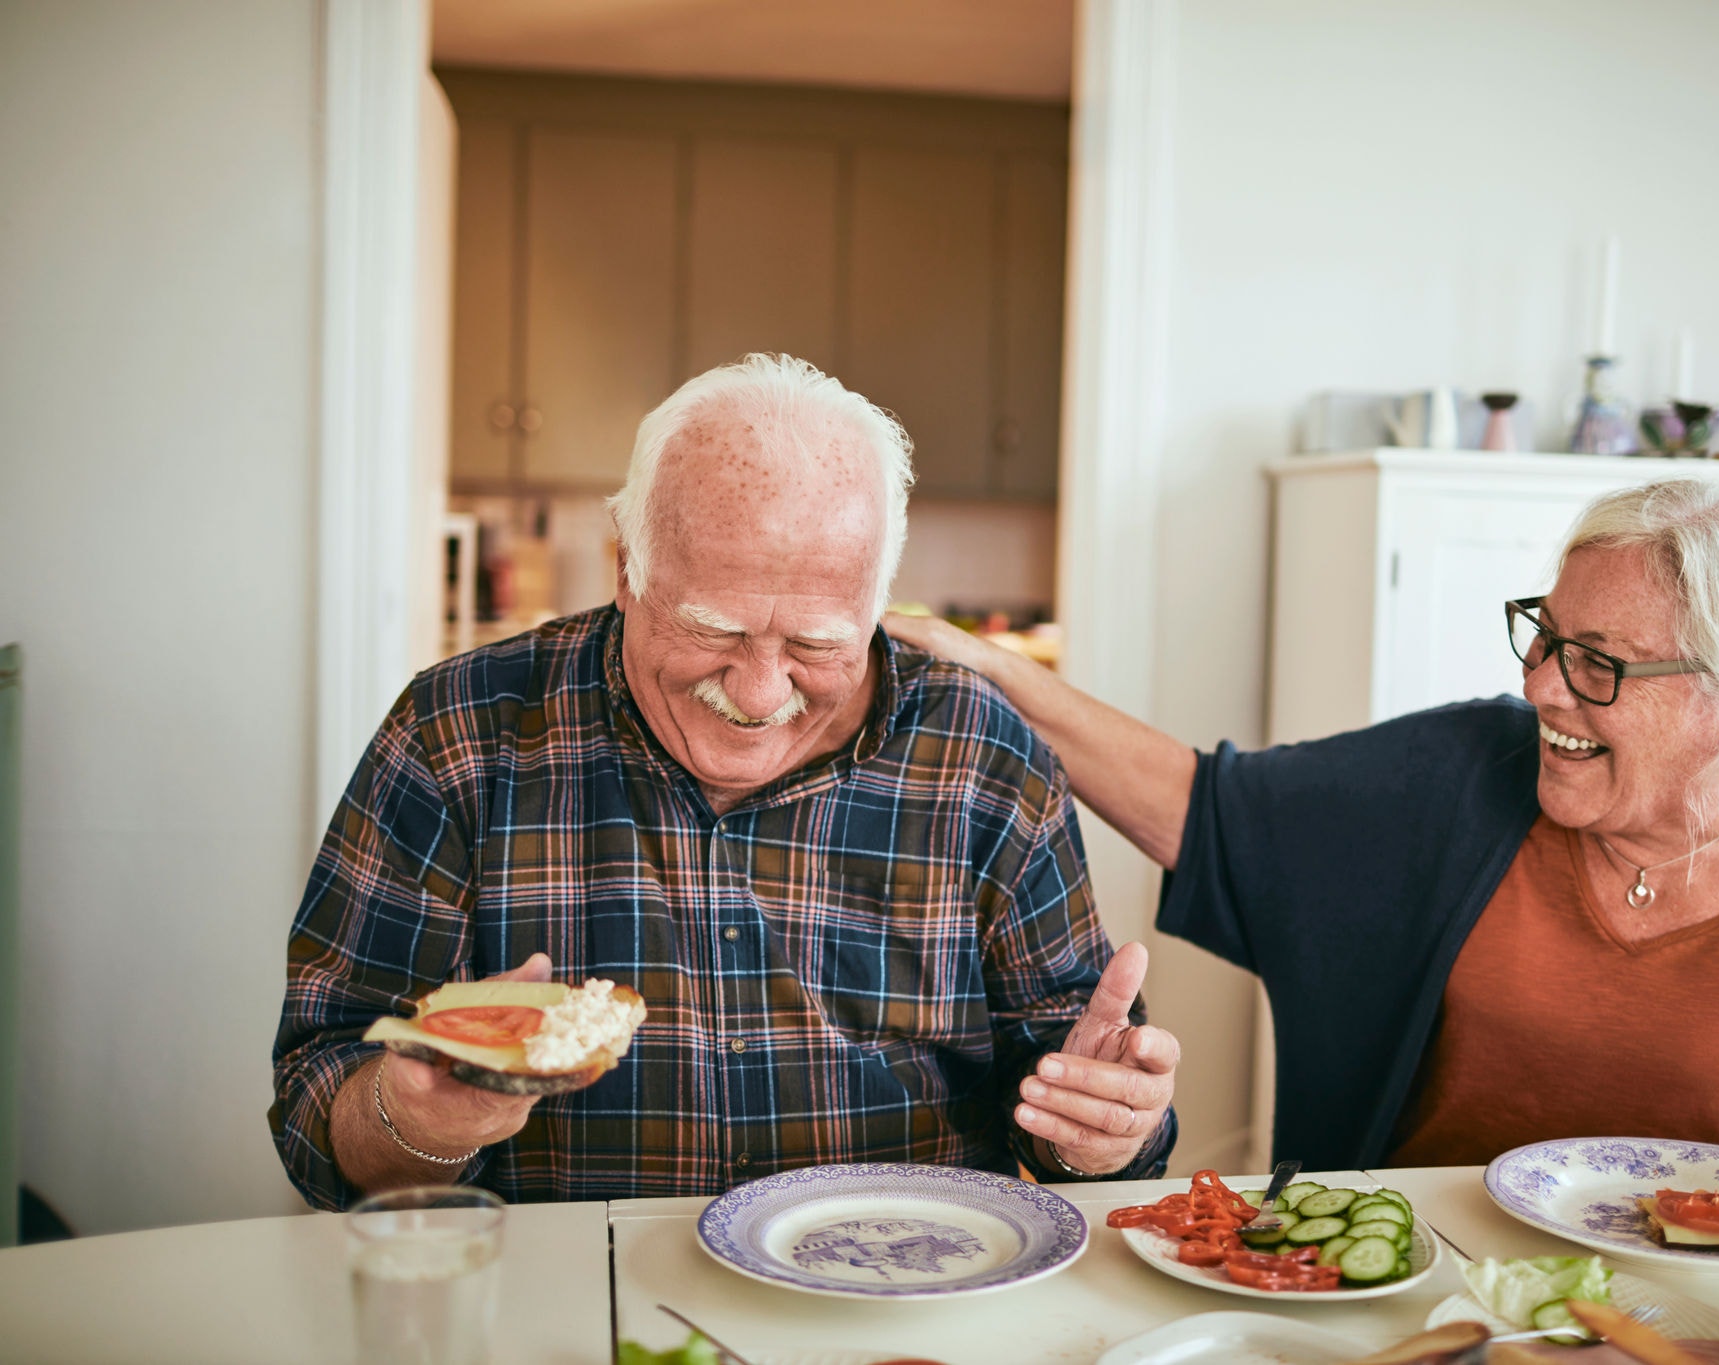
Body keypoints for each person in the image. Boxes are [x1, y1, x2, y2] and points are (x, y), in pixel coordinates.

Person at [887, 478, 1719, 1196]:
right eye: (1542, 637)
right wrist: (993, 669)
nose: (1544, 685)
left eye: (1599, 663)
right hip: (1414, 1313)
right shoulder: (1463, 775)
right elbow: (1204, 809)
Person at [271, 354, 1178, 1210]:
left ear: (877, 602)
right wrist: (414, 1120)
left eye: (818, 644)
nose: (757, 692)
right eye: (712, 629)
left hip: (906, 1300)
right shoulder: (457, 734)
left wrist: (1102, 1132)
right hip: (575, 1308)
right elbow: (318, 1111)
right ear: (625, 568)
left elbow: (1083, 1108)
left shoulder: (984, 753)